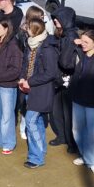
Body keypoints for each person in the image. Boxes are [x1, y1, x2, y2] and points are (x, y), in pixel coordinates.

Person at [19, 18, 57, 168]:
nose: (25, 29)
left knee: (31, 121)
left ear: (34, 29)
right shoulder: (30, 44)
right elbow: (25, 64)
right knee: (38, 121)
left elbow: (50, 73)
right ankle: (41, 150)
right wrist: (22, 78)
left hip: (41, 91)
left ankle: (36, 157)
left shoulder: (47, 48)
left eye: (28, 27)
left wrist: (31, 81)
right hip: (30, 89)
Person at [69, 30, 94, 176]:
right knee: (77, 130)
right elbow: (65, 61)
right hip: (78, 98)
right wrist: (73, 44)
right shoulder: (79, 54)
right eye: (82, 41)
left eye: (86, 42)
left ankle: (93, 161)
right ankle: (85, 155)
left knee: (93, 133)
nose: (83, 44)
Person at [0, 18, 24, 154]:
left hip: (7, 86)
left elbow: (15, 70)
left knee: (7, 115)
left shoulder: (14, 45)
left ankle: (8, 143)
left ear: (7, 29)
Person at [47, 7, 79, 154]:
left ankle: (71, 141)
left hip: (68, 79)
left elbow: (67, 62)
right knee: (57, 110)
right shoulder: (61, 35)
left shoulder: (70, 37)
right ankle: (62, 136)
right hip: (59, 78)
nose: (55, 21)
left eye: (58, 18)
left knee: (68, 112)